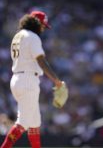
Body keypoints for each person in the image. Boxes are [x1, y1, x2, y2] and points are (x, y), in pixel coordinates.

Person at [1, 11, 64, 148]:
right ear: (35, 22)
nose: (43, 28)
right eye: (42, 25)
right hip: (28, 80)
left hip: (19, 78)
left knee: (34, 122)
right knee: (23, 123)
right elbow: (41, 60)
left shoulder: (17, 36)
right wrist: (56, 80)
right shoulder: (32, 36)